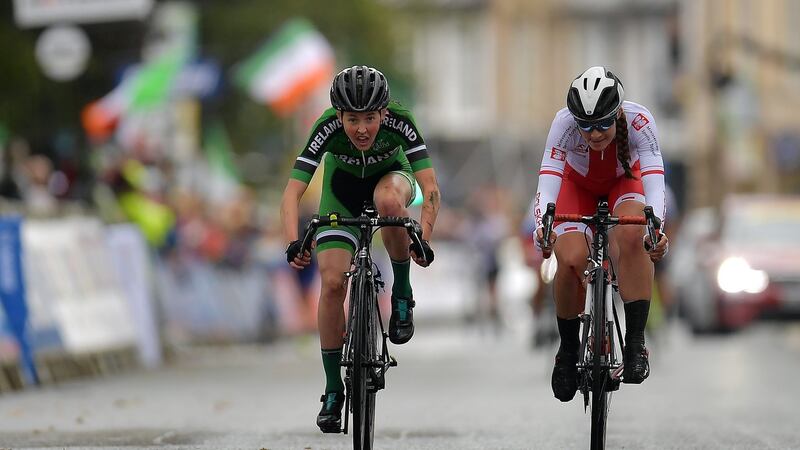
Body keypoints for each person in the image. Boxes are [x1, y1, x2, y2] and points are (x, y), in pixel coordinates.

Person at [281, 66, 440, 432]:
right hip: (341, 194)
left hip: (392, 181)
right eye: (352, 120)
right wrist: (293, 241)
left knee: (388, 201)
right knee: (332, 283)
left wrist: (425, 239)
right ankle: (333, 389)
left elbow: (430, 187)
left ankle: (402, 292)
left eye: (370, 118)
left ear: (384, 112)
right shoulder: (326, 126)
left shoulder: (401, 121)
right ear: (339, 116)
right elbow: (292, 193)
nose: (362, 129)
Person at [531, 66, 668, 402]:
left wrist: (656, 229)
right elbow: (548, 178)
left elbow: (654, 179)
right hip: (576, 187)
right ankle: (567, 350)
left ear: (618, 113)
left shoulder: (639, 121)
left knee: (633, 235)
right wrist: (542, 226)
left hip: (625, 182)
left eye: (603, 124)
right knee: (571, 258)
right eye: (585, 125)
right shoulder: (563, 123)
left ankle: (635, 343)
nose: (593, 134)